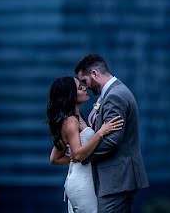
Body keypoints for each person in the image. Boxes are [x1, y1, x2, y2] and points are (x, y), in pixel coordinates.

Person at [74, 54, 149, 213]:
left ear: (94, 74)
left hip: (117, 179)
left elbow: (112, 140)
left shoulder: (115, 95)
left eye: (84, 81)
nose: (85, 87)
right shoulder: (110, 94)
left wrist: (84, 156)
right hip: (114, 179)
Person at [47, 76, 124, 213]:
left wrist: (83, 158)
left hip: (82, 178)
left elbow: (55, 157)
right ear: (70, 94)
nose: (85, 88)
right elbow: (77, 155)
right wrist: (100, 133)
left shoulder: (75, 116)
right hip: (82, 183)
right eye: (79, 87)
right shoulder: (71, 120)